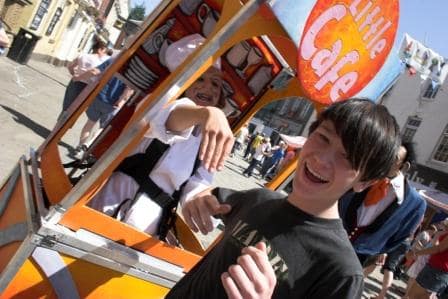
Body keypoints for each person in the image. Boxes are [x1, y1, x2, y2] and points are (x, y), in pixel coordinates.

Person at [166, 98, 401, 298]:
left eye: (346, 158)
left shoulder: (341, 271)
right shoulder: (258, 199)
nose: (322, 159)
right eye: (323, 138)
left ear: (365, 181)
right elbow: (209, 197)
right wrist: (199, 200)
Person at [88, 34, 233, 240]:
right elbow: (166, 120)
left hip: (150, 228)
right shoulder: (159, 102)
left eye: (215, 84)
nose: (208, 87)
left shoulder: (205, 135)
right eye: (199, 78)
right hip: (110, 207)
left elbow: (198, 181)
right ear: (183, 81)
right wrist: (208, 114)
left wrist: (200, 199)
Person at [339, 142, 426, 277]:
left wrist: (375, 249)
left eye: (394, 157)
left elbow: (400, 236)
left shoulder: (415, 203)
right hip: (333, 239)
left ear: (404, 166)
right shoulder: (362, 176)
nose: (385, 159)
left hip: (360, 256)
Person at [72, 56, 134, 158]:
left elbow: (94, 71)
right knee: (102, 128)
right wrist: (121, 101)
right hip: (113, 104)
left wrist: (78, 77)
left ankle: (79, 146)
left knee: (90, 122)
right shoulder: (133, 68)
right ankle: (89, 144)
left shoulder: (114, 60)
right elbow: (129, 88)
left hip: (99, 96)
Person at [60, 37, 109, 117]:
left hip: (75, 82)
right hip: (87, 86)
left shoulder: (83, 56)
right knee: (76, 109)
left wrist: (74, 75)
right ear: (100, 49)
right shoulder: (100, 62)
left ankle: (59, 123)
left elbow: (70, 66)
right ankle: (63, 126)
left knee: (67, 105)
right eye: (104, 52)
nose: (104, 54)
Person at [406, 227, 448, 298]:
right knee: (413, 295)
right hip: (435, 269)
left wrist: (416, 253)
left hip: (437, 271)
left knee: (414, 296)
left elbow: (439, 248)